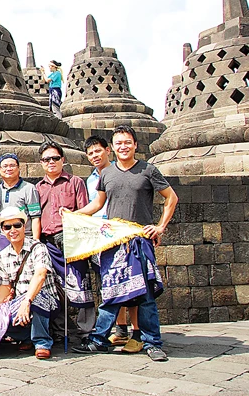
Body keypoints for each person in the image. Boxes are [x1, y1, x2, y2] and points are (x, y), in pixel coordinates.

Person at [72, 125, 178, 362]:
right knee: (110, 292)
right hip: (114, 241)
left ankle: (152, 342)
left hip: (139, 240)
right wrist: (74, 214)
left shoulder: (148, 170)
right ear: (114, 147)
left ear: (135, 145)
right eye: (119, 143)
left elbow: (171, 197)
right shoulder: (106, 174)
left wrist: (160, 226)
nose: (123, 147)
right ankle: (99, 339)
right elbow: (97, 205)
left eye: (127, 142)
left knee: (145, 294)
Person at [35, 142, 95, 340]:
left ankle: (86, 329)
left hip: (70, 237)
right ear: (41, 163)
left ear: (63, 160)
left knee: (79, 282)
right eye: (46, 159)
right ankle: (62, 329)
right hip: (47, 241)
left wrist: (72, 215)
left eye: (55, 158)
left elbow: (85, 212)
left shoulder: (75, 182)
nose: (51, 162)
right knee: (55, 285)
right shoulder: (38, 187)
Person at [84, 136, 139, 350]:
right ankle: (121, 329)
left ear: (108, 150)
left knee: (133, 285)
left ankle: (137, 332)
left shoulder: (122, 173)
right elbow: (94, 206)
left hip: (122, 234)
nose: (95, 156)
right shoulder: (91, 180)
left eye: (98, 151)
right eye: (90, 153)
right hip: (99, 237)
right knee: (109, 284)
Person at [0, 208, 59, 359]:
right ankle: (28, 336)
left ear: (24, 226)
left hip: (44, 300)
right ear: (2, 230)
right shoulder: (3, 255)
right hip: (20, 302)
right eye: (7, 227)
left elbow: (40, 276)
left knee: (37, 297)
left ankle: (42, 342)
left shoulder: (38, 247)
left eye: (16, 225)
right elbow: (5, 285)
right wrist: (0, 303)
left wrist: (26, 301)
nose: (12, 230)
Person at [0, 153, 42, 244]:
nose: (8, 169)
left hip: (25, 237)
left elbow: (35, 216)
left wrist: (36, 241)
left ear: (19, 168)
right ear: (0, 169)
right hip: (3, 238)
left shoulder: (29, 188)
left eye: (12, 165)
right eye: (5, 166)